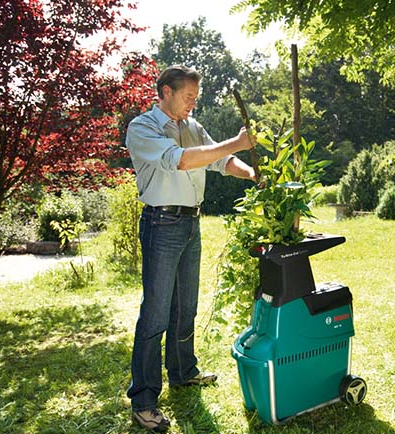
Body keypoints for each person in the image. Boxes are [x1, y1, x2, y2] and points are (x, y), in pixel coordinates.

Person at [125, 64, 256, 432]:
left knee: (186, 307)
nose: (192, 105)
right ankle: (144, 399)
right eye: (188, 98)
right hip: (161, 224)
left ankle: (183, 372)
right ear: (165, 91)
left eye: (196, 99)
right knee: (155, 314)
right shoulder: (143, 128)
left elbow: (220, 159)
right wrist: (237, 141)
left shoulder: (193, 127)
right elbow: (182, 160)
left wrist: (252, 173)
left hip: (191, 223)